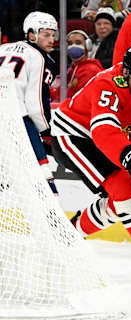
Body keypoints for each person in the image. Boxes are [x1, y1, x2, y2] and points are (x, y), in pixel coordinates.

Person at [50, 45, 131, 271]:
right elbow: (103, 129)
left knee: (120, 202)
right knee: (123, 187)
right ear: (126, 73)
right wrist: (130, 155)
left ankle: (70, 233)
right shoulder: (109, 83)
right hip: (74, 135)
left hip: (109, 139)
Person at [0, 11, 59, 195]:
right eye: (46, 34)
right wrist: (46, 130)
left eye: (53, 34)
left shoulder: (3, 48)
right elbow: (36, 104)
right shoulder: (41, 58)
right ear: (32, 34)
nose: (51, 39)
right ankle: (54, 221)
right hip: (16, 120)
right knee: (43, 179)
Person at [65, 30, 104, 97]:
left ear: (88, 46)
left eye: (78, 43)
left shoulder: (90, 70)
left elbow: (82, 97)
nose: (73, 46)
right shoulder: (72, 68)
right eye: (70, 43)